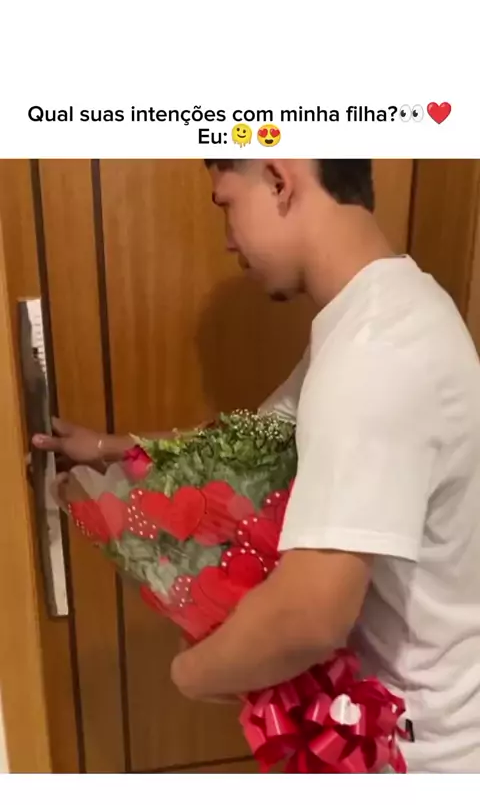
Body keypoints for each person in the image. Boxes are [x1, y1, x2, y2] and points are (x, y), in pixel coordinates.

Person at [33, 159, 480, 773]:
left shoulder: (376, 354)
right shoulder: (386, 311)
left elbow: (310, 616)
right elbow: (252, 442)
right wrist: (111, 448)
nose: (228, 237)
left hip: (421, 756)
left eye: (226, 202)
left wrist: (190, 673)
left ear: (278, 179)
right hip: (392, 727)